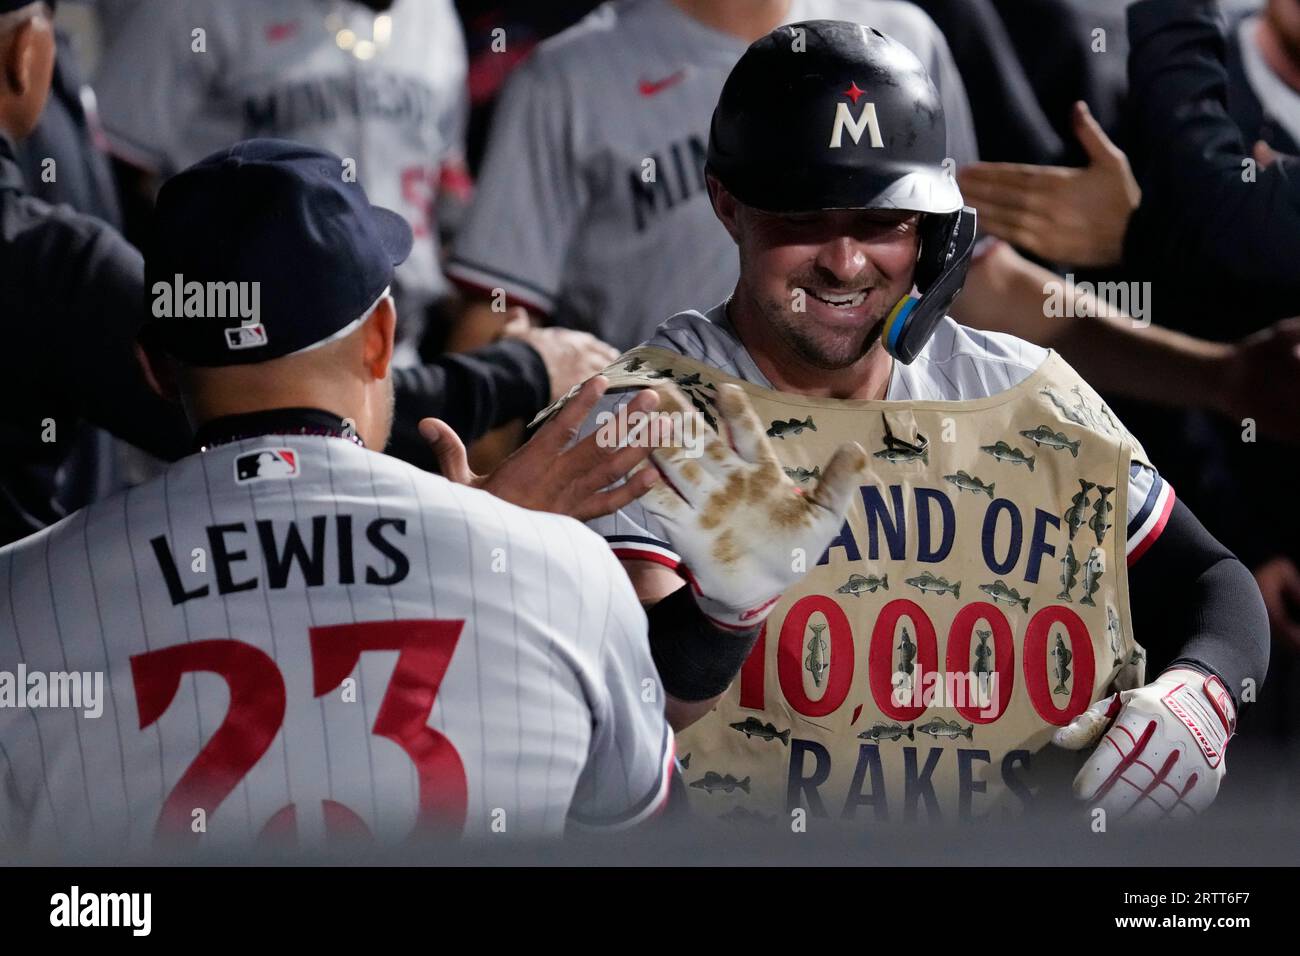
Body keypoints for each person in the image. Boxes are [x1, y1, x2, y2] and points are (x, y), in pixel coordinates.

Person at [546, 21, 1268, 823]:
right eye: (803, 216)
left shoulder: (1025, 394)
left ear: (934, 230)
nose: (846, 262)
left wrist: (1201, 695)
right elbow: (624, 714)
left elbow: (1213, 583)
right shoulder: (645, 412)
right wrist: (721, 617)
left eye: (882, 221)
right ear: (726, 201)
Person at [0, 138, 675, 854]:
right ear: (381, 341)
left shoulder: (19, 597)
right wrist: (500, 552)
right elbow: (651, 842)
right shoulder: (563, 569)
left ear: (155, 370)